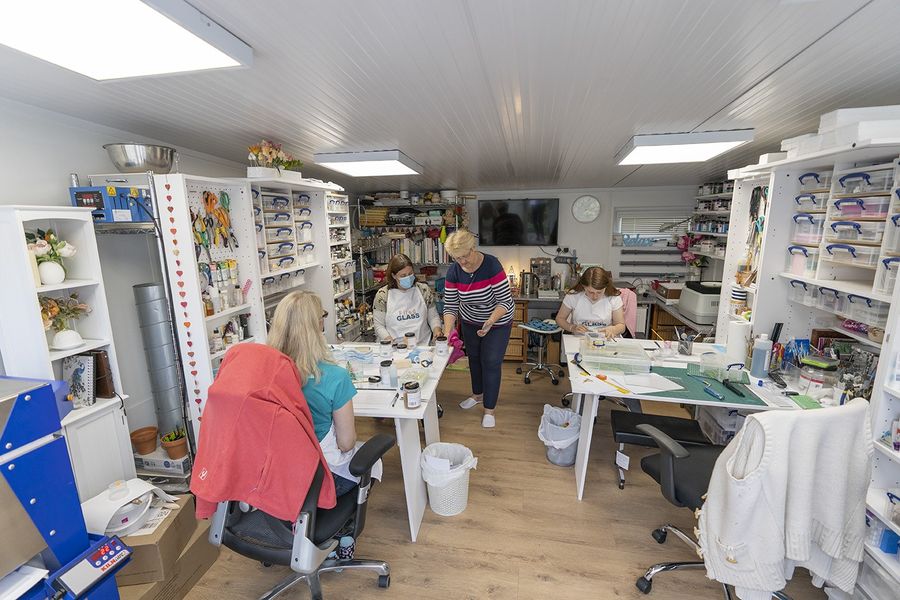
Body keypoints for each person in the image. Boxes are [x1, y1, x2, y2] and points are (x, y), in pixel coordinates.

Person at [268, 290, 378, 496]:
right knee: (374, 462)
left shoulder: (268, 372)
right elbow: (346, 444)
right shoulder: (334, 377)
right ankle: (345, 522)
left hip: (280, 476)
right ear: (315, 326)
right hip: (325, 478)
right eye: (322, 317)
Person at [442, 229, 514, 428]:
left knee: (490, 361)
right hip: (470, 320)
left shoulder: (491, 265)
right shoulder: (454, 271)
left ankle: (489, 410)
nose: (462, 262)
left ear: (473, 249)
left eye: (465, 256)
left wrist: (490, 321)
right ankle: (477, 395)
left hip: (497, 320)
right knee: (473, 359)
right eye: (457, 258)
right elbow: (450, 305)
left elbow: (504, 301)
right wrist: (448, 331)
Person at [373, 253, 443, 345]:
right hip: (395, 347)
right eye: (403, 276)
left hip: (422, 345)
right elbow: (379, 325)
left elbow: (433, 317)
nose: (408, 278)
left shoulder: (423, 290)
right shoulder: (383, 295)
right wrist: (389, 340)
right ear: (394, 276)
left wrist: (436, 330)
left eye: (410, 274)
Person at [555, 266, 626, 337]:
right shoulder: (573, 296)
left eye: (599, 292)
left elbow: (621, 326)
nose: (595, 296)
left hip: (606, 339)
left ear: (606, 287)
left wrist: (614, 329)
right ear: (583, 286)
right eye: (590, 292)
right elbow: (560, 319)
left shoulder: (613, 297)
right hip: (580, 338)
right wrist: (572, 327)